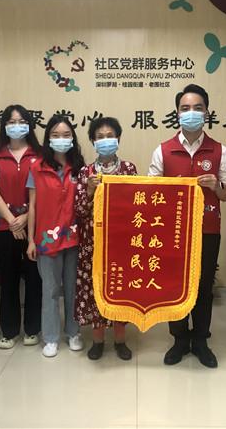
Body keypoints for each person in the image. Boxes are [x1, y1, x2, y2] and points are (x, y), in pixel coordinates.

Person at [148, 83, 226, 368]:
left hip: (207, 230)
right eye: (185, 108)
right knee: (174, 286)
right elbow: (151, 193)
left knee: (202, 287)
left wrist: (217, 186)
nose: (191, 113)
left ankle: (200, 340)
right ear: (177, 113)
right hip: (171, 231)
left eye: (198, 108)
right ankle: (179, 339)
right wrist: (170, 187)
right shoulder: (163, 150)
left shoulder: (219, 150)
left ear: (207, 112)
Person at [74, 117, 137, 361]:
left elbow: (137, 206)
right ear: (93, 141)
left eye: (110, 136)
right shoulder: (85, 172)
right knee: (95, 290)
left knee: (120, 289)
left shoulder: (129, 169)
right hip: (93, 243)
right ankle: (98, 340)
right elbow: (79, 211)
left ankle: (120, 340)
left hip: (121, 244)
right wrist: (90, 190)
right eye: (100, 137)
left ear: (118, 138)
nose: (105, 140)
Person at [27, 114, 85, 358]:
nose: (61, 139)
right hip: (46, 239)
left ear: (72, 138)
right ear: (48, 138)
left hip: (74, 238)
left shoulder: (79, 167)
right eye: (55, 135)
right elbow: (32, 206)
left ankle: (73, 332)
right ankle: (50, 337)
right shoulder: (37, 167)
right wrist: (31, 240)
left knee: (72, 288)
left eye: (66, 135)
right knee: (50, 290)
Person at [0, 104, 43, 349]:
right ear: (4, 126)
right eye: (11, 121)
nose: (16, 125)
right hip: (5, 227)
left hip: (34, 225)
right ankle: (8, 331)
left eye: (21, 121)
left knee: (34, 279)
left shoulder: (40, 155)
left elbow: (44, 192)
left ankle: (32, 329)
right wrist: (12, 220)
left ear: (29, 125)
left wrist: (26, 217)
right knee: (8, 279)